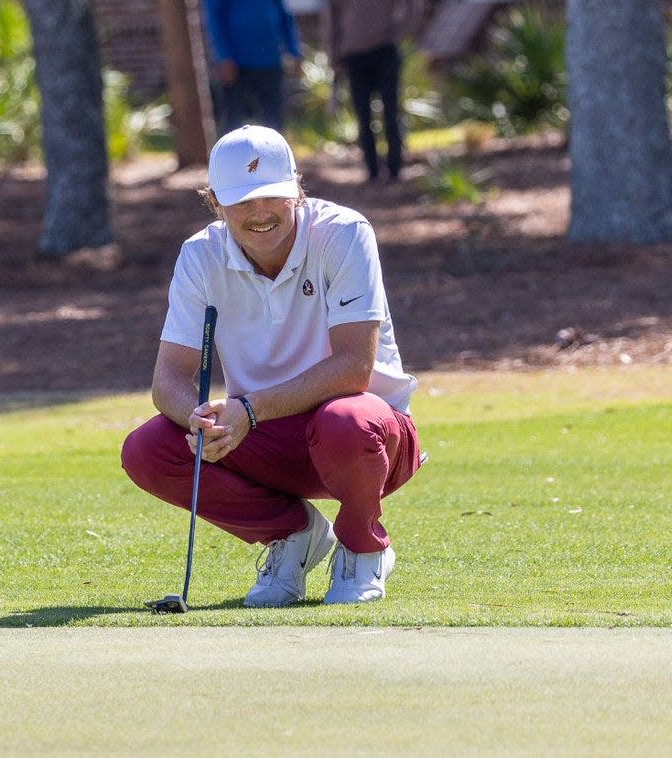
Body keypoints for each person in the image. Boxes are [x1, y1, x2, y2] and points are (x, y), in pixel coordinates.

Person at [121, 125, 425, 607]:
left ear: (296, 188)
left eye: (272, 196)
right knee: (150, 448)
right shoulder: (200, 256)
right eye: (241, 201)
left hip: (371, 437)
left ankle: (362, 548)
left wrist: (249, 409)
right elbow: (168, 382)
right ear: (215, 202)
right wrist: (201, 420)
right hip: (262, 434)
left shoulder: (344, 234)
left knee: (345, 420)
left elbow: (353, 368)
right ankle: (294, 535)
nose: (259, 213)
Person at [327, 0, 422, 182]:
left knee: (391, 113)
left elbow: (413, 6)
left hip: (384, 51)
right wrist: (334, 52)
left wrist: (399, 32)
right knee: (363, 116)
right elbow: (332, 16)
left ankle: (395, 170)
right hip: (353, 55)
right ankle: (372, 171)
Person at [202, 0, 303, 134]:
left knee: (274, 123)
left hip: (271, 61)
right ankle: (231, 155)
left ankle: (274, 154)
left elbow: (284, 15)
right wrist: (224, 57)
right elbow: (214, 19)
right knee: (233, 124)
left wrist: (294, 50)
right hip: (236, 66)